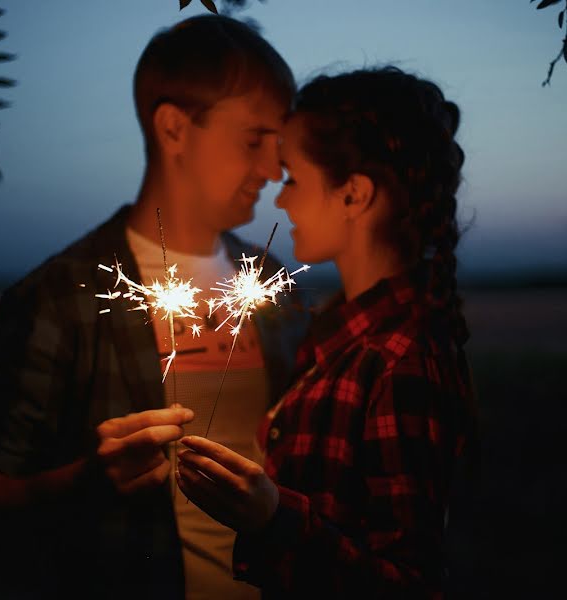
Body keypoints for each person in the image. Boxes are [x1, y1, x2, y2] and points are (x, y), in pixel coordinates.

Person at [0, 14, 310, 600]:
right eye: (253, 140)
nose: (274, 169)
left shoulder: (273, 286)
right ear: (174, 129)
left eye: (279, 144)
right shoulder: (63, 296)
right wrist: (82, 481)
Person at [176, 66, 478, 598]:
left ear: (353, 195)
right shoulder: (337, 336)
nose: (281, 200)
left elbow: (411, 584)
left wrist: (273, 518)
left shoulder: (397, 359)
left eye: (292, 177)